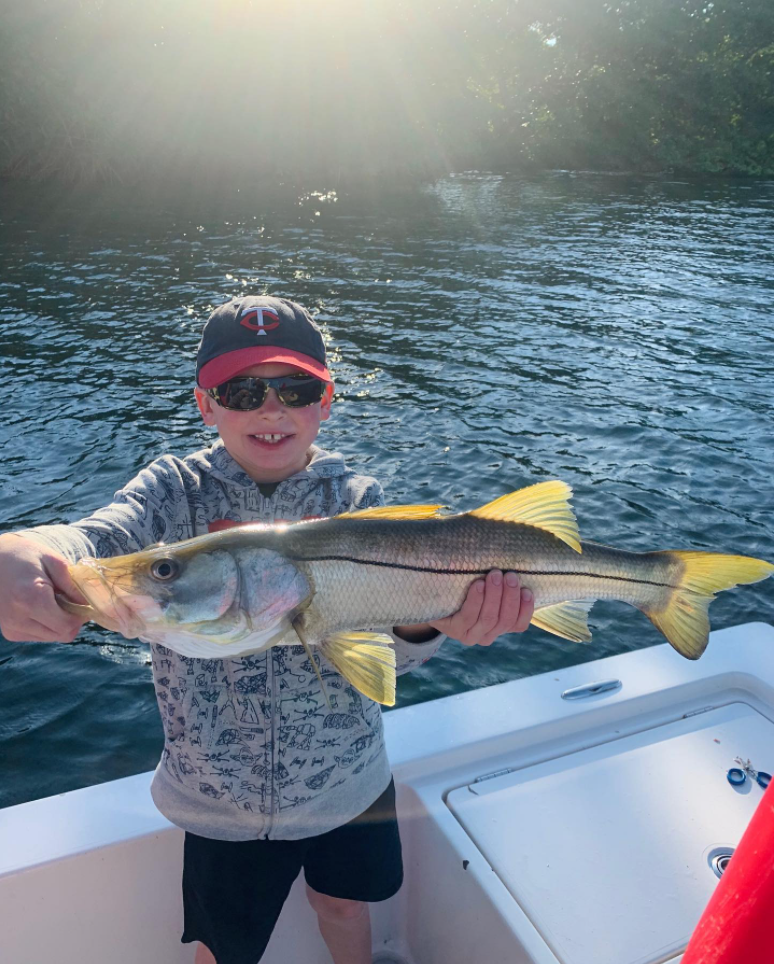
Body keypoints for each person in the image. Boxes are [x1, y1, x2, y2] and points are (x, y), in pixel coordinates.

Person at [0, 295, 535, 964]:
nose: (271, 408)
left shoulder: (357, 502)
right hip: (218, 803)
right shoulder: (170, 492)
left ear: (326, 401)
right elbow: (96, 539)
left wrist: (430, 627)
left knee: (346, 907)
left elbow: (386, 655)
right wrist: (19, 548)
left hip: (350, 785)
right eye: (243, 390)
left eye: (295, 388)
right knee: (225, 945)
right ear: (207, 404)